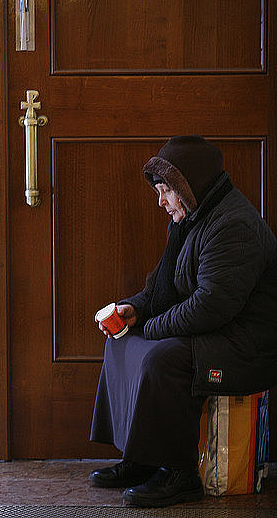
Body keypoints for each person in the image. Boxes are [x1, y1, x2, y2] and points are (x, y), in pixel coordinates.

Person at [89, 135, 277, 508]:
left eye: (165, 191)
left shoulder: (233, 226)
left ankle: (180, 474)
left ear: (189, 186)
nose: (161, 201)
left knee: (165, 359)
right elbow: (164, 286)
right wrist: (136, 311)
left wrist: (152, 328)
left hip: (248, 344)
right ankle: (142, 458)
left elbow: (211, 307)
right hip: (220, 330)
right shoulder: (193, 216)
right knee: (121, 339)